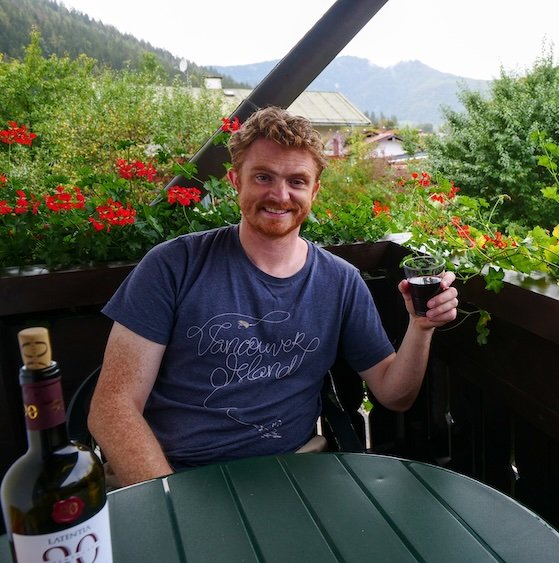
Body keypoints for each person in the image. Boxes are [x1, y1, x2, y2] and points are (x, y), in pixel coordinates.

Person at [88, 106, 458, 487]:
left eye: (297, 181)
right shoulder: (173, 266)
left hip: (292, 473)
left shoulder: (341, 281)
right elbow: (112, 407)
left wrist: (421, 327)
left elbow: (394, 394)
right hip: (178, 475)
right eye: (263, 177)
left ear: (314, 190)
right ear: (236, 181)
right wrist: (169, 503)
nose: (280, 195)